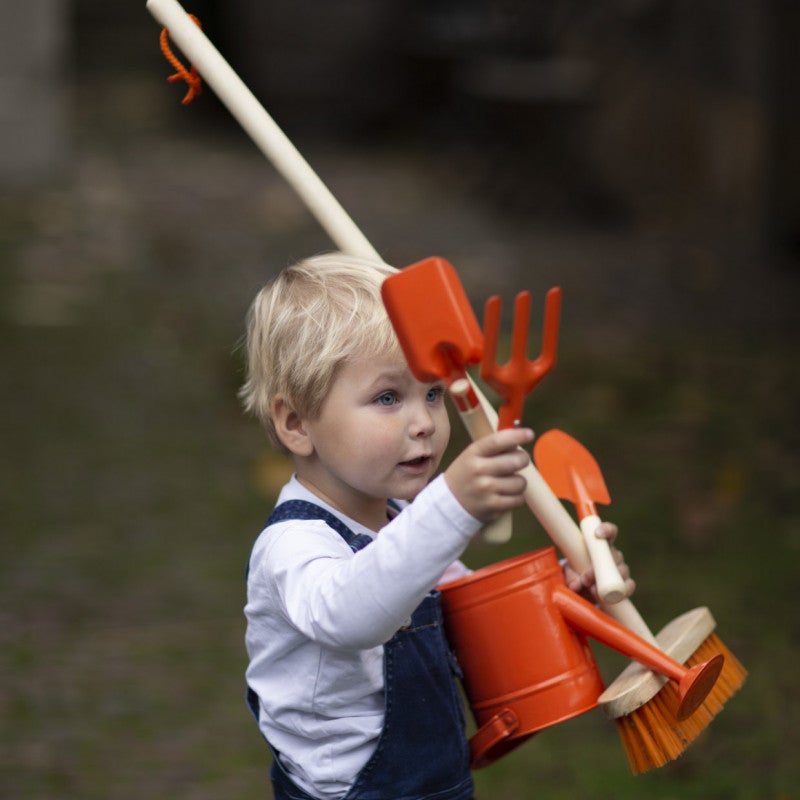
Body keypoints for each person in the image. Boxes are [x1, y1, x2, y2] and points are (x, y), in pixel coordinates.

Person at [239, 252, 634, 800]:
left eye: (432, 393)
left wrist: (565, 592)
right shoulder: (293, 545)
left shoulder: (405, 522)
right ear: (297, 423)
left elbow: (469, 620)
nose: (423, 422)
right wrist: (451, 505)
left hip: (437, 784)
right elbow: (350, 614)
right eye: (387, 398)